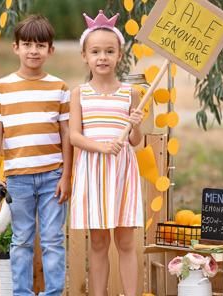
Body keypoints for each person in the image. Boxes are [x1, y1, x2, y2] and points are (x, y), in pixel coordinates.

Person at [0, 14, 72, 296]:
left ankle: (53, 292)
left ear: (50, 50)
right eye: (28, 44)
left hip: (53, 176)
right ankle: (21, 293)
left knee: (53, 240)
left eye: (41, 45)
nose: (34, 51)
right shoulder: (2, 87)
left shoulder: (59, 88)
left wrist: (66, 175)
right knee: (21, 240)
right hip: (17, 179)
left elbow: (67, 134)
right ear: (16, 48)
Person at [69, 10, 145, 296]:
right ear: (84, 55)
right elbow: (75, 136)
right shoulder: (80, 93)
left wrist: (135, 125)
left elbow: (135, 141)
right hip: (94, 171)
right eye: (96, 51)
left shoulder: (131, 94)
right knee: (99, 242)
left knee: (125, 242)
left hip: (122, 172)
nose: (103, 57)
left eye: (109, 51)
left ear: (120, 55)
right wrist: (102, 147)